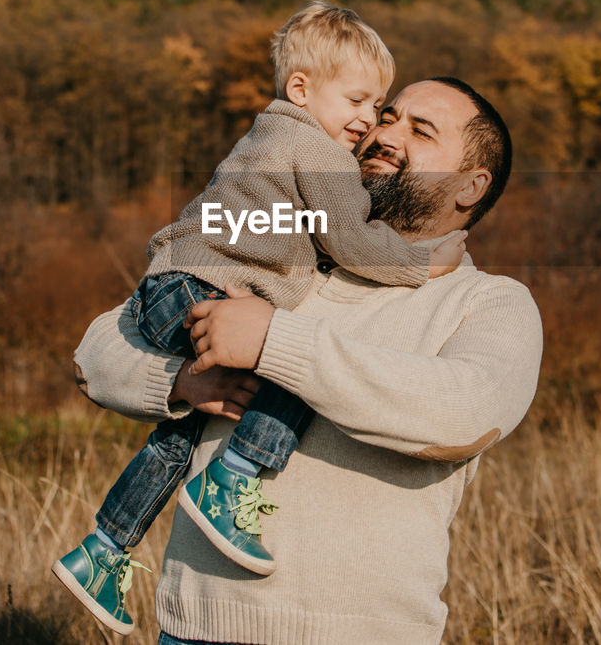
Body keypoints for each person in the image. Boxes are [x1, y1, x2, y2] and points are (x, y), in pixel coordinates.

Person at [74, 78, 544, 645]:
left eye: (420, 131)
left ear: (470, 186)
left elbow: (463, 413)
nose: (384, 134)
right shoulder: (281, 249)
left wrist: (274, 341)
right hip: (191, 628)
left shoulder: (490, 301)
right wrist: (181, 382)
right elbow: (99, 347)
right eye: (386, 117)